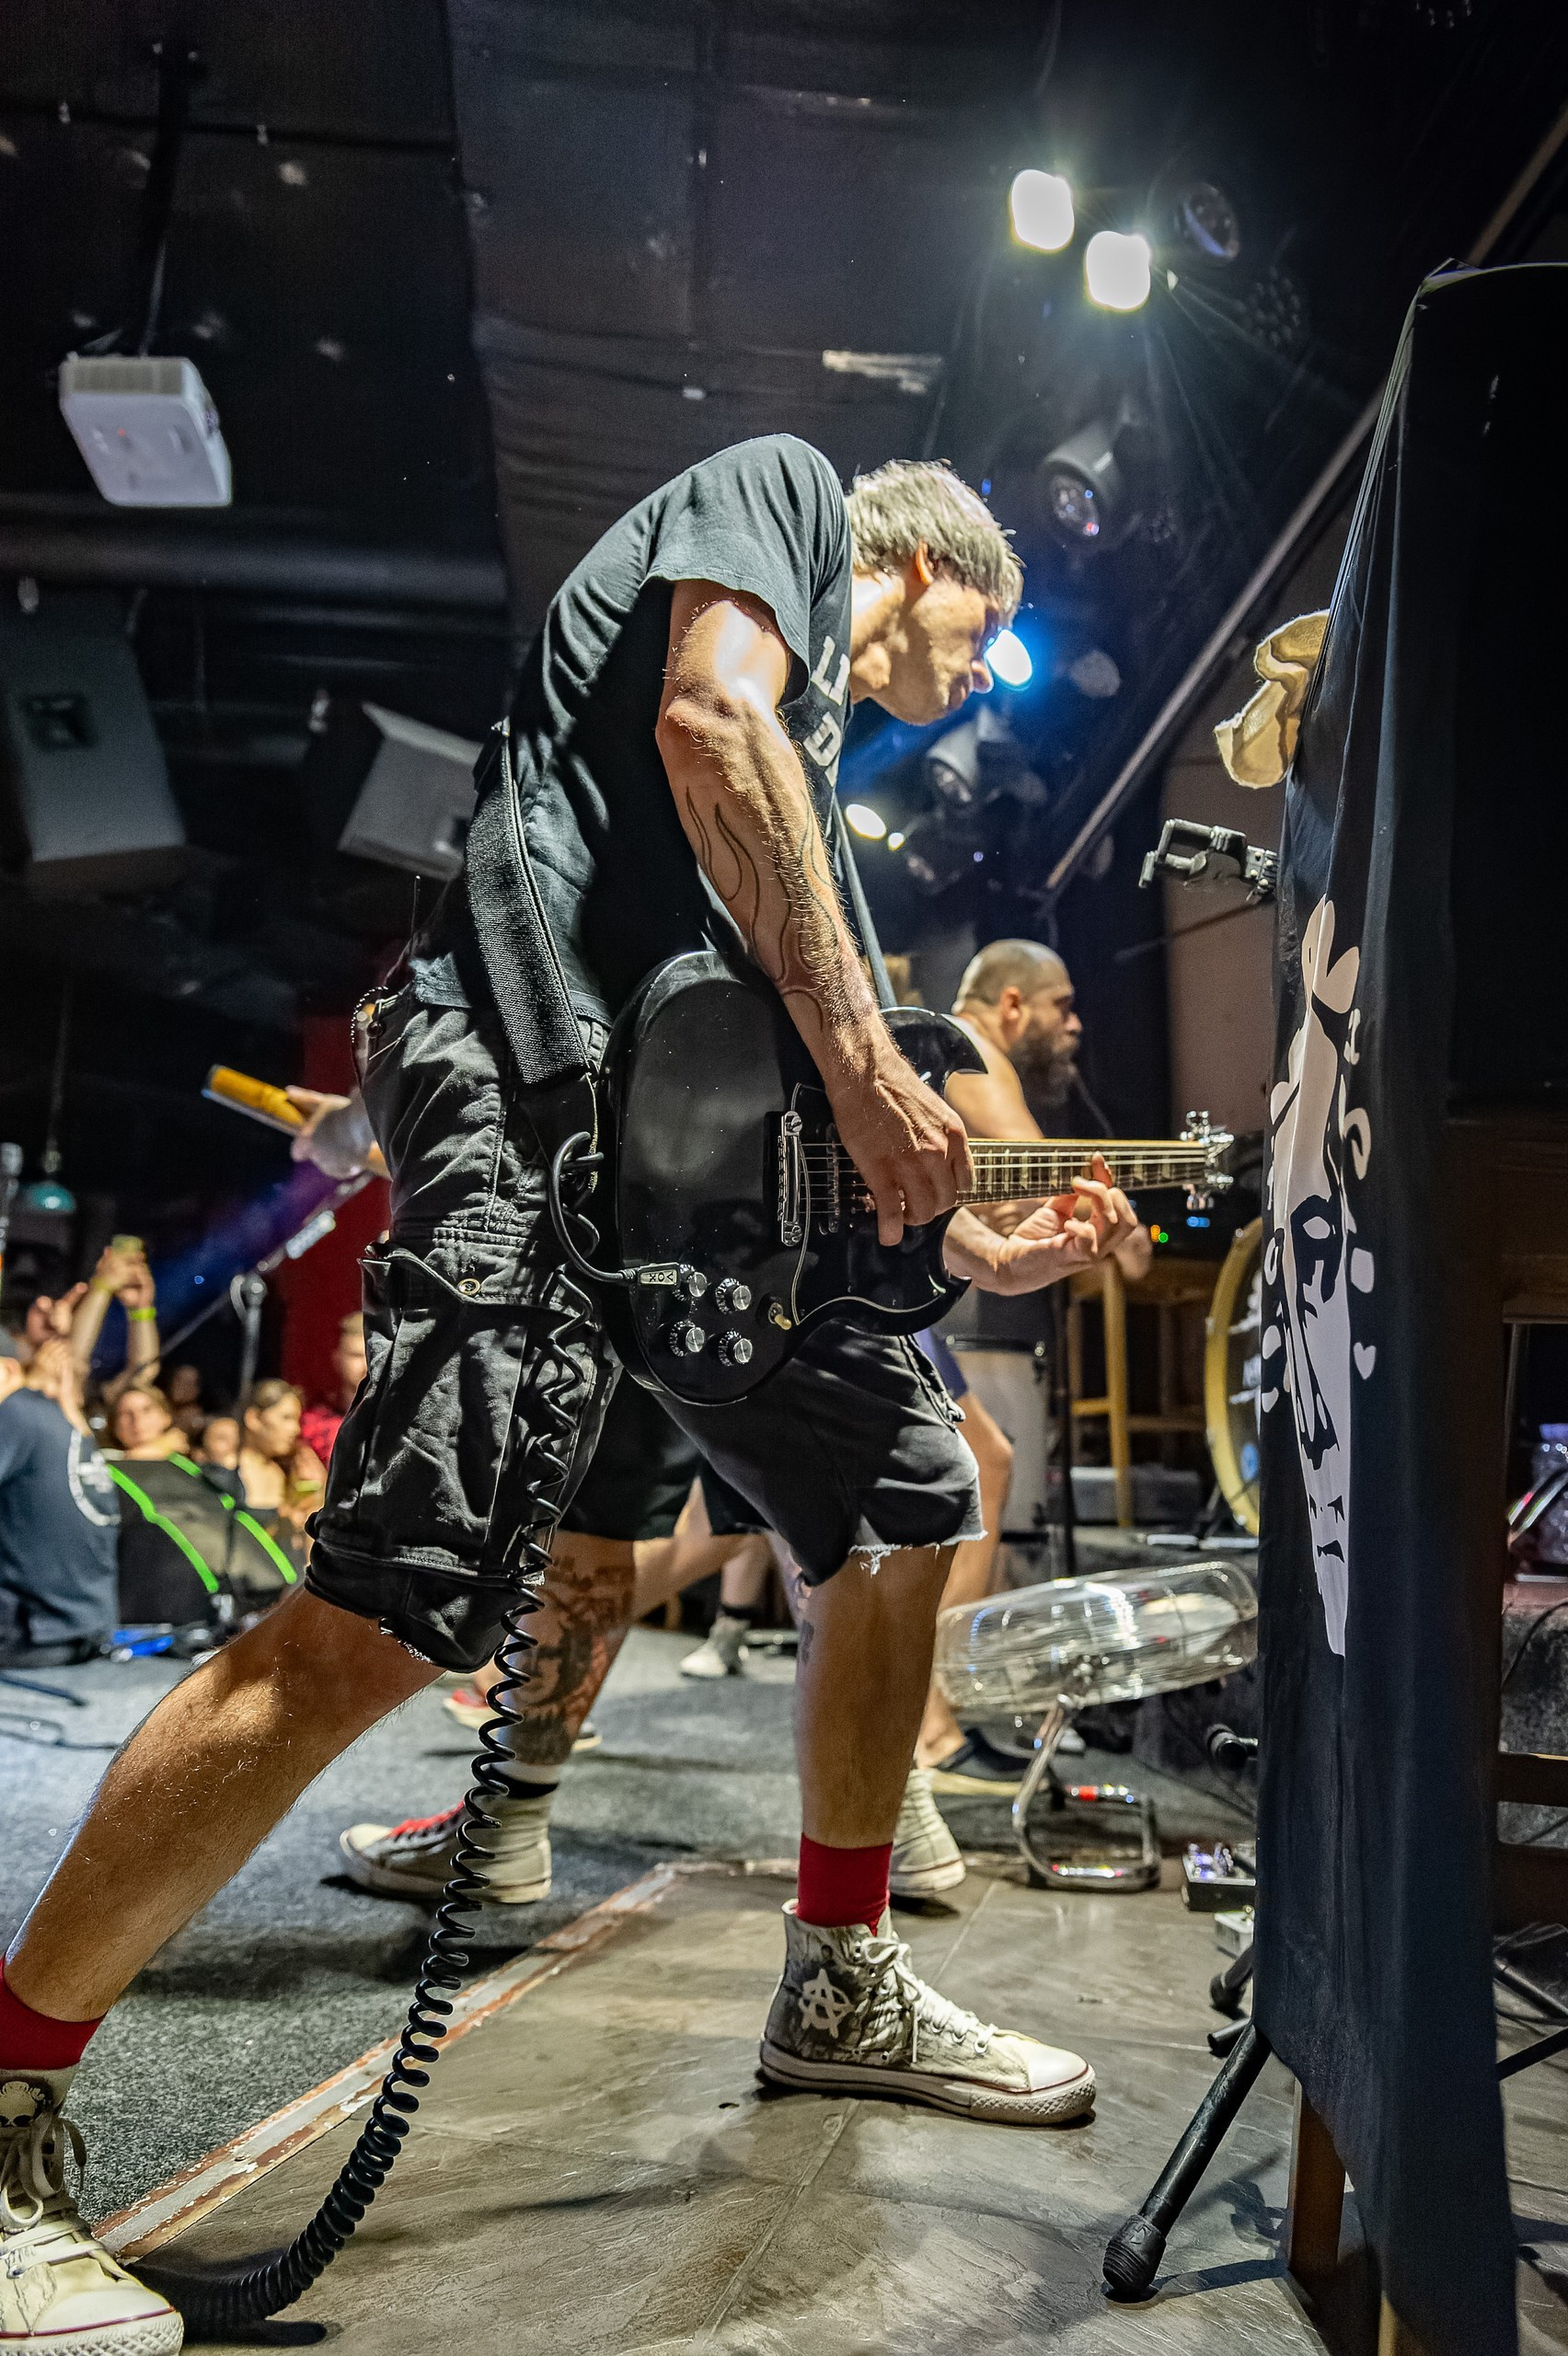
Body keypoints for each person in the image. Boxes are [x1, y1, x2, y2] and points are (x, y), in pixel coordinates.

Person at [0, 442, 1139, 2354]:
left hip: (675, 1182)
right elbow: (707, 718)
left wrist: (969, 1246)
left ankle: (839, 1975)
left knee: (902, 1487)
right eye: (980, 639)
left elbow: (796, 1128)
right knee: (383, 1614)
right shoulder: (785, 500)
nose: (970, 682)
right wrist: (876, 1063)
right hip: (534, 1099)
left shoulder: (807, 802)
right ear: (932, 564)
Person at [915, 939, 1155, 1795]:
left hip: (881, 1295)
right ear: (1012, 1004)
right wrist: (1125, 1217)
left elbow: (1004, 1197)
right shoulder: (971, 1050)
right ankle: (928, 1729)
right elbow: (1046, 1170)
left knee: (705, 1536)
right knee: (985, 1464)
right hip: (881, 1299)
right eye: (1063, 1004)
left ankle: (529, 1670)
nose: (1076, 1024)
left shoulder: (940, 1053)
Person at [0, 1335, 120, 1668]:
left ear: (7, 1370)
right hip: (84, 1629)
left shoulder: (15, 1413)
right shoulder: (63, 1422)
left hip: (32, 1632)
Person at [235, 1380, 327, 1534]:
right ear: (254, 1418)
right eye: (286, 1418)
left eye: (297, 1420)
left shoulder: (293, 1472)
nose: (296, 1429)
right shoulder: (227, 1471)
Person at [299, 1314, 368, 1466]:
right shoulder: (311, 1425)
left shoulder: (403, 1421)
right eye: (356, 1356)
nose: (367, 1366)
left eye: (373, 1355)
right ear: (337, 1358)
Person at [110, 1385, 187, 1463]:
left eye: (146, 1410)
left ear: (166, 1417)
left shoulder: (186, 1460)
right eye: (127, 1413)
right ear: (115, 1426)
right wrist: (163, 1446)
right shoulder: (105, 1461)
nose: (137, 1419)